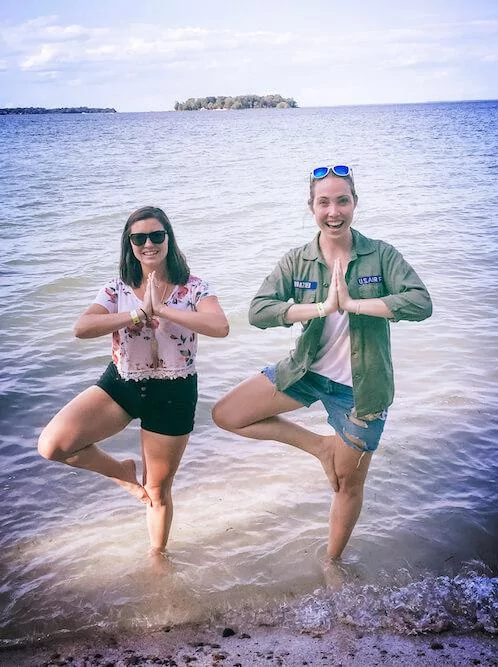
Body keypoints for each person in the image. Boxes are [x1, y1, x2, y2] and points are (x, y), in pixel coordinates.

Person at [212, 165, 432, 560]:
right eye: (324, 202)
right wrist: (321, 308)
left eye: (342, 201)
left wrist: (353, 305)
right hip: (306, 372)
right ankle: (321, 447)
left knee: (347, 485)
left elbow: (420, 302)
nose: (334, 211)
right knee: (227, 414)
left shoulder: (380, 254)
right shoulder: (298, 260)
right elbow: (259, 311)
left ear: (355, 204)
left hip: (363, 392)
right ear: (311, 207)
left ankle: (332, 564)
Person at [38, 206, 229, 560]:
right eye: (139, 238)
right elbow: (81, 328)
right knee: (53, 445)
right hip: (123, 383)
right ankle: (122, 472)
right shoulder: (117, 289)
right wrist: (136, 313)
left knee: (157, 489)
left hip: (174, 390)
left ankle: (157, 560)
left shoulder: (195, 287)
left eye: (156, 235)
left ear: (169, 239)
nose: (148, 244)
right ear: (130, 245)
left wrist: (162, 309)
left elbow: (220, 326)